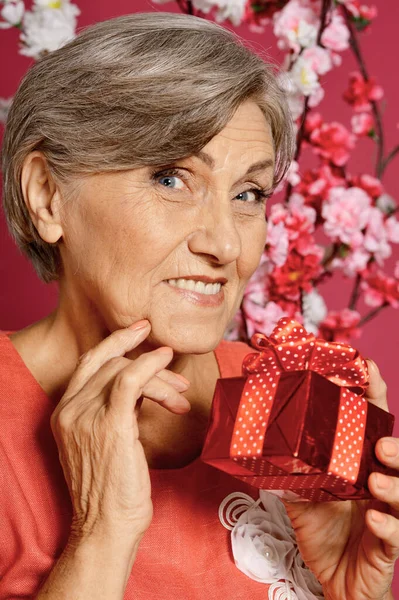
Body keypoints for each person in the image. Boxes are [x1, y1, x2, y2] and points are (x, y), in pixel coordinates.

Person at [0, 11, 397, 600]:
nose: (227, 244)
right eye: (170, 178)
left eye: (248, 194)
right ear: (48, 196)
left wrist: (347, 592)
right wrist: (101, 536)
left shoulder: (290, 395)